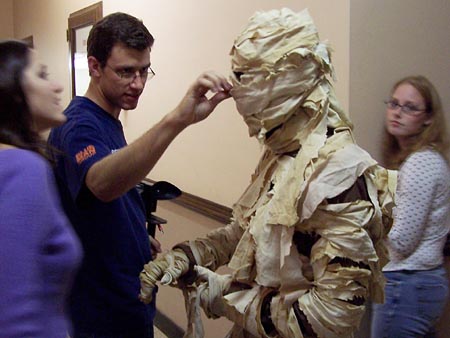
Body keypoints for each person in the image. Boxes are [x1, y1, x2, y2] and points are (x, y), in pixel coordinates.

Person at [139, 8, 396, 338]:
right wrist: (185, 256)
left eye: (247, 80)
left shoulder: (340, 176)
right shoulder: (285, 157)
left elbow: (328, 319)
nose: (236, 95)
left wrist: (225, 295)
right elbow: (246, 234)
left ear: (285, 84)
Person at [47, 12, 232, 338]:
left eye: (144, 71)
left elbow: (101, 201)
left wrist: (132, 234)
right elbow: (101, 183)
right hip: (101, 311)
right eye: (125, 72)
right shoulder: (78, 124)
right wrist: (178, 119)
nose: (138, 83)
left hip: (128, 296)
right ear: (94, 67)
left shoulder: (108, 122)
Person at [0, 40, 82, 338]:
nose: (58, 86)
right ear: (12, 89)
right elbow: (14, 320)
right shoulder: (22, 169)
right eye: (42, 74)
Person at [371, 75, 450, 338]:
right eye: (393, 104)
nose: (397, 113)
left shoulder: (421, 163)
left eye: (410, 107)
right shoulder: (416, 161)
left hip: (407, 284)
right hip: (415, 285)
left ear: (428, 118)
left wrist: (359, 221)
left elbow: (402, 242)